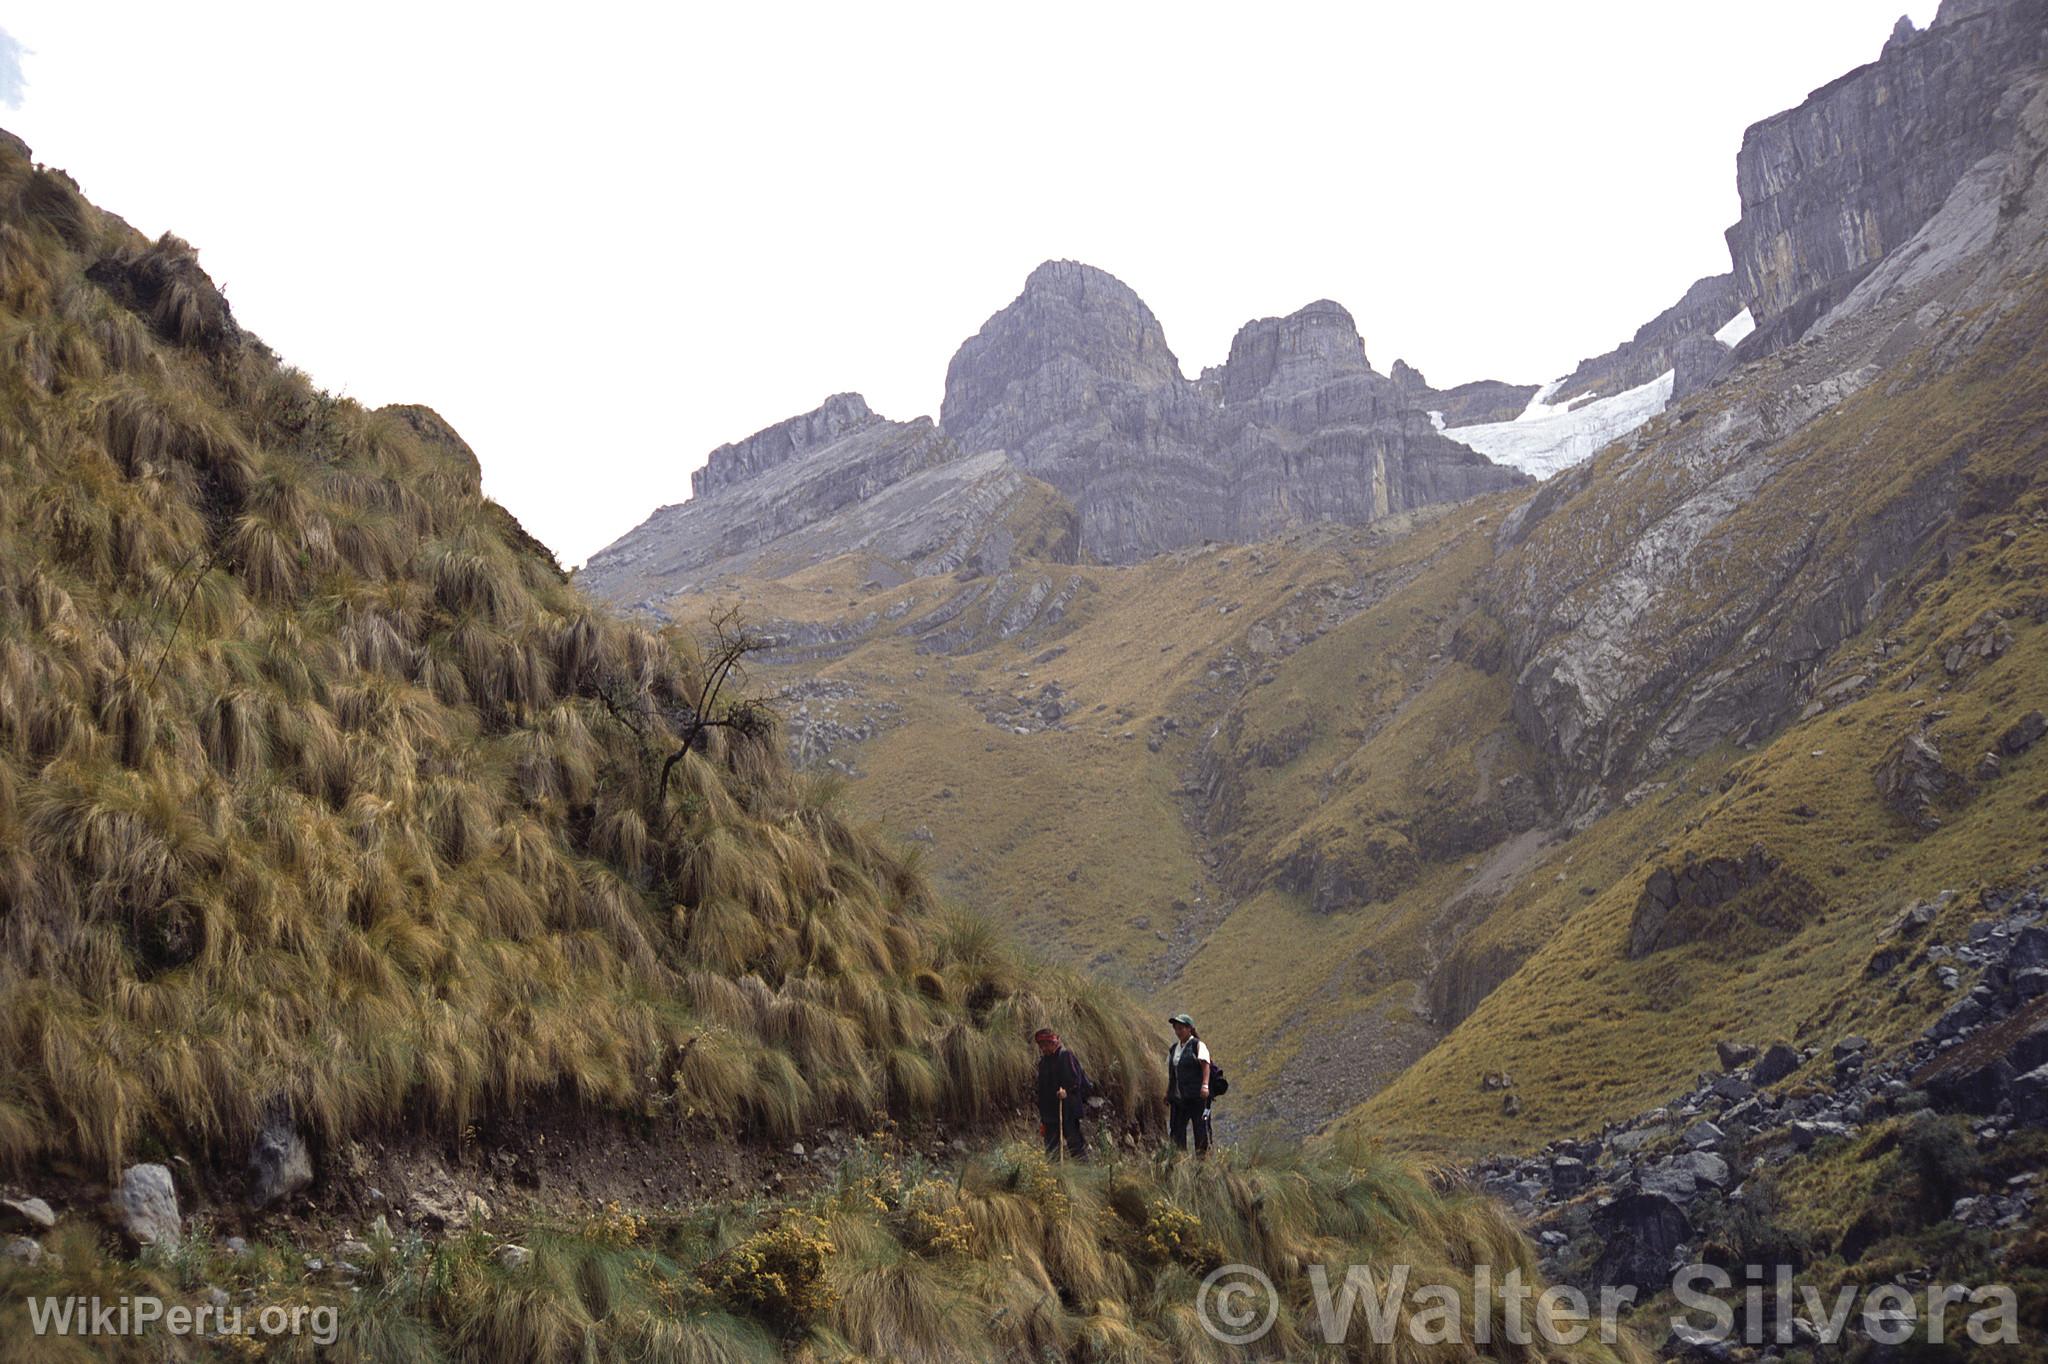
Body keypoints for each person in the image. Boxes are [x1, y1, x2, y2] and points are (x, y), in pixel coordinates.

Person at [1034, 1027, 1087, 1159]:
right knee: (1052, 1151)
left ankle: (1085, 1176)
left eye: (1046, 1045)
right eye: (1041, 1046)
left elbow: (1076, 1081)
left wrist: (1066, 1092)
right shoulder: (1043, 1063)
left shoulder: (1065, 1056)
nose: (1043, 1049)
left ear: (1053, 1042)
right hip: (1050, 1114)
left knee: (1075, 1146)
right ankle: (1055, 1178)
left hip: (1067, 1111)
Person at [1165, 1012, 1212, 1156]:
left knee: (1201, 1128)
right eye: (1176, 1028)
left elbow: (1205, 1065)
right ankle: (1180, 1159)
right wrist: (1168, 1094)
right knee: (1177, 1129)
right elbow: (1172, 1074)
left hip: (1197, 1097)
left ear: (1189, 1029)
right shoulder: (1174, 1049)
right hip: (1179, 1098)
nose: (1178, 1032)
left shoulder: (1197, 1045)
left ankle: (1202, 1161)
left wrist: (1205, 1085)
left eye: (1181, 1028)